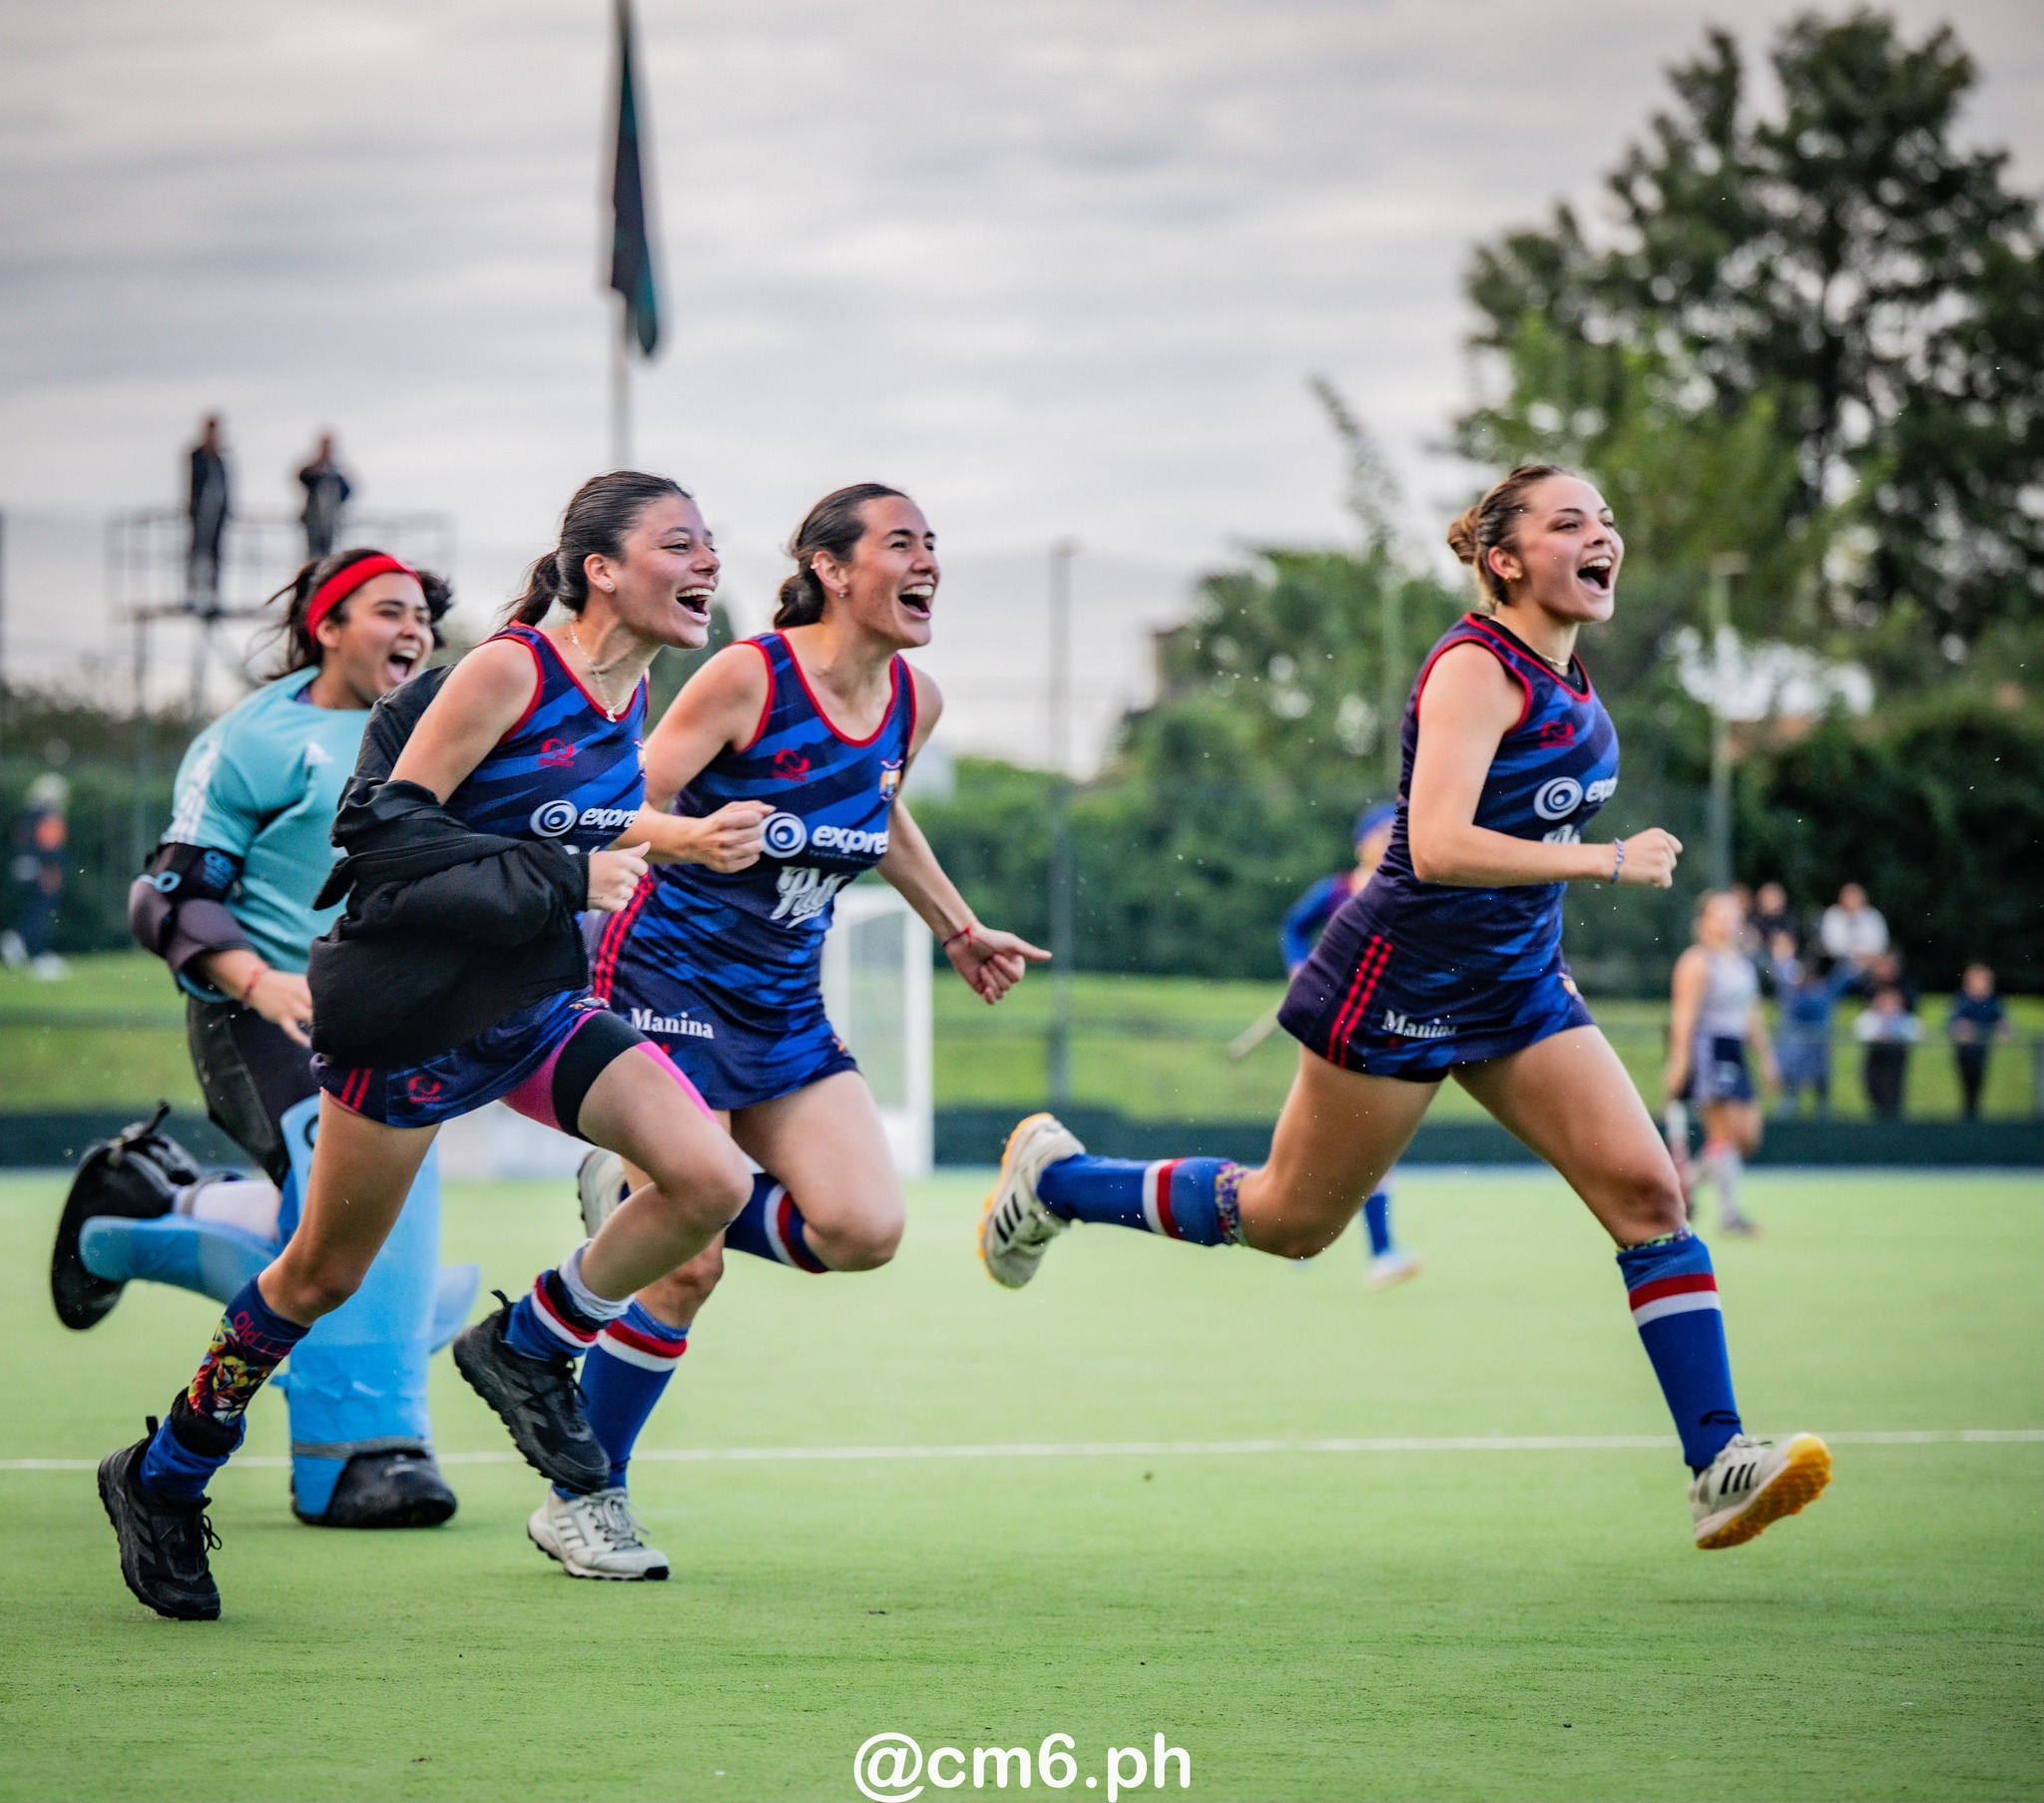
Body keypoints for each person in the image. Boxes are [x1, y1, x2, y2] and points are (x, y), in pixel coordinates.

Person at [980, 465, 1831, 1553]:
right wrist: (1603, 859)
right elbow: (1433, 845)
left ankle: (1717, 1461)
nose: (1601, 535)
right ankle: (1055, 1180)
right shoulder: (1475, 667)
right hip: (1400, 980)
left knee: (1645, 1189)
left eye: (1607, 519)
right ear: (1503, 559)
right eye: (1568, 521)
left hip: (1516, 982)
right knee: (1289, 1220)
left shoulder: (1568, 676)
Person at [97, 471, 761, 1620]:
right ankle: (165, 1474)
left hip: (532, 1006)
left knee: (709, 1180)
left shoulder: (630, 695)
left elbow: (560, 813)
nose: (708, 562)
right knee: (318, 1275)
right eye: (680, 543)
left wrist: (674, 836)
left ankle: (527, 1343)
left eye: (711, 543)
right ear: (601, 568)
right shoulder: (509, 667)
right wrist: (570, 876)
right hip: (408, 1017)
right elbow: (382, 832)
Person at [539, 483, 1047, 1579]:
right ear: (828, 566)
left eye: (932, 545)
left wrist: (956, 927)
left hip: (782, 1005)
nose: (927, 564)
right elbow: (626, 798)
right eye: (900, 544)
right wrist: (688, 841)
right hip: (665, 981)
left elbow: (881, 807)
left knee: (864, 1229)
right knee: (687, 1268)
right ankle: (583, 1495)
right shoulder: (747, 674)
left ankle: (645, 1199)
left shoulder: (913, 698)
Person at [55, 547, 474, 1531]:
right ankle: (361, 1456)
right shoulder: (252, 738)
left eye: (421, 614)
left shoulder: (452, 728)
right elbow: (169, 897)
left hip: (393, 1018)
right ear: (327, 625)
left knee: (345, 1232)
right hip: (257, 1014)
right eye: (387, 611)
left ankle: (144, 1210)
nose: (413, 630)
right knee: (355, 1195)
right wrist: (255, 976)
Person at [1279, 801, 1418, 1288]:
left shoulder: (1408, 893)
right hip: (1329, 1021)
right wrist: (1300, 968)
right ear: (1362, 842)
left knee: (1370, 1136)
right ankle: (1289, 1227)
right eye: (1379, 833)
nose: (1387, 840)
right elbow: (1294, 928)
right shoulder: (1336, 891)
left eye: (1395, 832)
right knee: (1321, 1130)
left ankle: (1379, 1251)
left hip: (1382, 1025)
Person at [1664, 892, 1776, 1236]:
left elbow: (1751, 1013)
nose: (1728, 921)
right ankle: (1729, 1215)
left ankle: (1688, 1182)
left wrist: (1767, 1057)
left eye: (1733, 915)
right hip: (1709, 1050)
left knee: (1747, 1138)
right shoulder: (1697, 962)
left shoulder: (1741, 963)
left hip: (1735, 1050)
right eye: (1719, 914)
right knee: (1723, 1133)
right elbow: (1684, 1015)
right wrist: (1679, 1061)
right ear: (1702, 923)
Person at [1768, 933, 1857, 1119]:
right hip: (1797, 1055)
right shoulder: (1806, 993)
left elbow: (1845, 977)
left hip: (1815, 1054)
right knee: (1791, 1101)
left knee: (1818, 1102)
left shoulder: (1818, 992)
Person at [7, 770, 69, 978]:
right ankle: (35, 951)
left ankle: (21, 942)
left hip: (27, 870)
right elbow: (50, 849)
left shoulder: (29, 815)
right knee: (42, 914)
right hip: (44, 872)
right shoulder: (48, 816)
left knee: (35, 911)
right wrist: (51, 869)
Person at [1946, 964, 2011, 1121]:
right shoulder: (1962, 999)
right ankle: (1969, 1114)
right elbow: (1954, 1021)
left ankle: (1972, 1114)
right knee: (1967, 1082)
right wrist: (1961, 1029)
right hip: (1965, 1050)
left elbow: (2001, 1020)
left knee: (1978, 1082)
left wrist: (2003, 1030)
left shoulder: (1992, 999)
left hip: (1982, 1049)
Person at [186, 414, 231, 609]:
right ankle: (193, 592)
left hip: (217, 515)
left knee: (215, 554)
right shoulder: (197, 456)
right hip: (200, 514)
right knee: (196, 552)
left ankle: (213, 593)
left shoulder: (220, 460)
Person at [1856, 984, 1920, 1119]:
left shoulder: (1903, 1019)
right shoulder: (1869, 1017)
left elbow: (1918, 1032)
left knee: (1892, 1097)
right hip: (1875, 1061)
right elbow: (1863, 1033)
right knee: (1875, 1094)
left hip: (1894, 1062)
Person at [297, 434, 353, 560]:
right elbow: (302, 478)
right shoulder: (313, 469)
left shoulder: (336, 472)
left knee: (329, 551)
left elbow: (347, 490)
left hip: (332, 519)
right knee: (312, 552)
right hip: (313, 518)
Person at [1818, 882, 1887, 965]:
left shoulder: (1873, 916)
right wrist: (1857, 955)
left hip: (1872, 962)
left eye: (1854, 897)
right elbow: (1831, 945)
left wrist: (1866, 957)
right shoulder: (1833, 914)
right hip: (1840, 962)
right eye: (1848, 897)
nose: (1851, 900)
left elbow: (1880, 944)